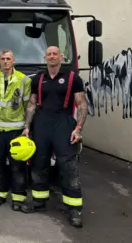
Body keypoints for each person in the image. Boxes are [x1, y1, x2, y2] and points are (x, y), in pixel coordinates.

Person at [21, 46, 87, 228]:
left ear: (60, 57)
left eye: (54, 54)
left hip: (64, 123)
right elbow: (32, 104)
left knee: (68, 166)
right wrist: (27, 126)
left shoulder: (72, 78)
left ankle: (74, 209)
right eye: (48, 54)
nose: (51, 56)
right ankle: (38, 202)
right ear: (45, 58)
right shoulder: (38, 79)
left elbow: (81, 104)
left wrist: (78, 128)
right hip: (42, 123)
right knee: (38, 163)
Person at [0, 49, 31, 210]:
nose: (5, 61)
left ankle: (18, 197)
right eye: (2, 58)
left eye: (8, 58)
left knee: (17, 165)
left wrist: (25, 126)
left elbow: (27, 105)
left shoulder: (24, 80)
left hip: (15, 129)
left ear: (13, 60)